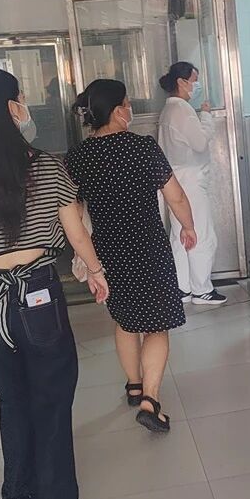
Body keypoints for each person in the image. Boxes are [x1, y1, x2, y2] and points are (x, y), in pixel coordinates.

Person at [0, 67, 109, 499]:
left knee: (11, 401)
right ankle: (56, 494)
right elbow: (77, 234)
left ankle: (17, 493)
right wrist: (95, 271)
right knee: (52, 400)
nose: (25, 106)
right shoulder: (47, 166)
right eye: (21, 97)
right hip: (39, 296)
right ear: (10, 109)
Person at [66, 79, 197, 432]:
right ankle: (150, 400)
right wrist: (187, 226)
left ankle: (134, 386)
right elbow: (175, 195)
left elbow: (73, 213)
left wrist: (86, 257)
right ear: (116, 111)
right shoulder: (142, 147)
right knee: (156, 324)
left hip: (108, 251)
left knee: (125, 321)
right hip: (148, 247)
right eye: (126, 103)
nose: (129, 109)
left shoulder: (78, 157)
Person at [158, 62, 227, 305]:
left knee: (180, 236)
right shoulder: (182, 110)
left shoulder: (168, 110)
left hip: (175, 179)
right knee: (200, 234)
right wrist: (206, 117)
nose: (197, 85)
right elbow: (199, 143)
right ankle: (202, 289)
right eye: (194, 80)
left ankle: (183, 287)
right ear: (182, 82)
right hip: (190, 181)